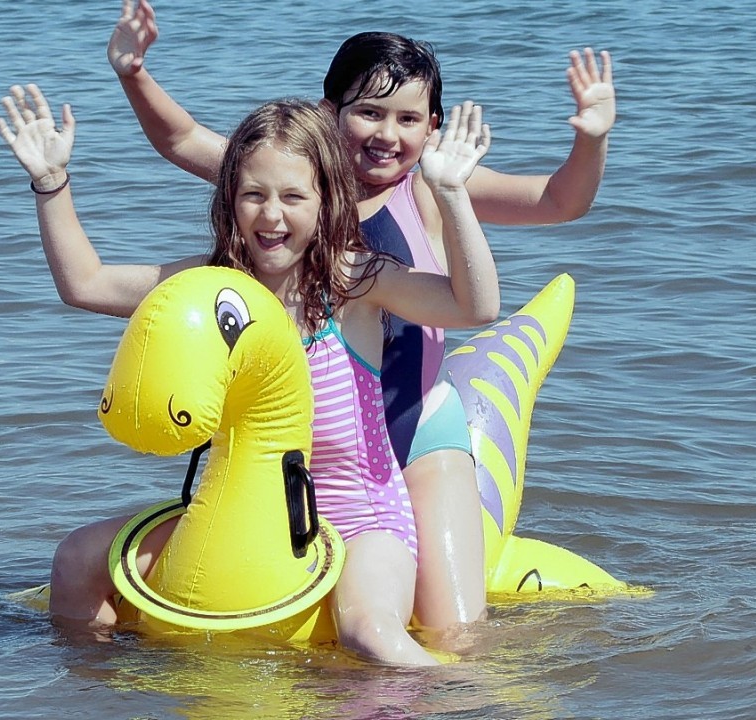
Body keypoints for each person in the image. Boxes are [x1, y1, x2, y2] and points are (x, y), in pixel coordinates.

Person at [106, 0, 615, 637]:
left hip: (416, 433)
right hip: (311, 448)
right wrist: (134, 73)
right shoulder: (291, 180)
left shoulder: (431, 185)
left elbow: (560, 201)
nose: (386, 135)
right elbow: (183, 139)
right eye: (368, 112)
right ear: (330, 114)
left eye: (408, 119)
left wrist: (591, 137)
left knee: (452, 628)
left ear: (433, 128)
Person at [0, 82, 499, 666]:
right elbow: (86, 285)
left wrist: (453, 193)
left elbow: (474, 307)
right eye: (254, 194)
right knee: (76, 558)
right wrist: (50, 182)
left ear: (326, 200)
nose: (272, 215)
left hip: (360, 517)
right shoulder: (211, 287)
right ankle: (107, 685)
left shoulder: (354, 280)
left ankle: (462, 701)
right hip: (243, 507)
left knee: (370, 635)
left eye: (293, 196)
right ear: (230, 199)